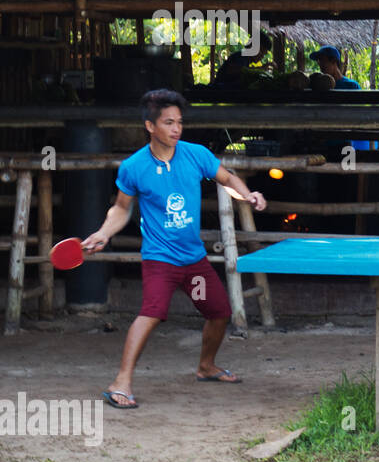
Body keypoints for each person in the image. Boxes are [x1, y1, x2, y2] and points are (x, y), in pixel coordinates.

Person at [83, 90, 267, 410]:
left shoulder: (196, 155)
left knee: (219, 312)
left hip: (193, 259)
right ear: (150, 126)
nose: (176, 129)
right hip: (160, 260)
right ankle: (120, 383)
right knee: (152, 312)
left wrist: (247, 195)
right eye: (168, 122)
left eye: (179, 122)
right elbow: (121, 209)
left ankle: (206, 366)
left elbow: (227, 178)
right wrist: (102, 232)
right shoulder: (133, 167)